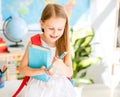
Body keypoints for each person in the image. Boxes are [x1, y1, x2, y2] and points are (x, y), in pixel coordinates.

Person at [18, 3, 76, 97]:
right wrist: (40, 71)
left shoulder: (65, 44)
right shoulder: (34, 42)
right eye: (51, 28)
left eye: (60, 29)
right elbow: (22, 69)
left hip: (60, 88)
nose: (55, 33)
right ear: (42, 24)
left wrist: (61, 65)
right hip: (38, 87)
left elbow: (69, 72)